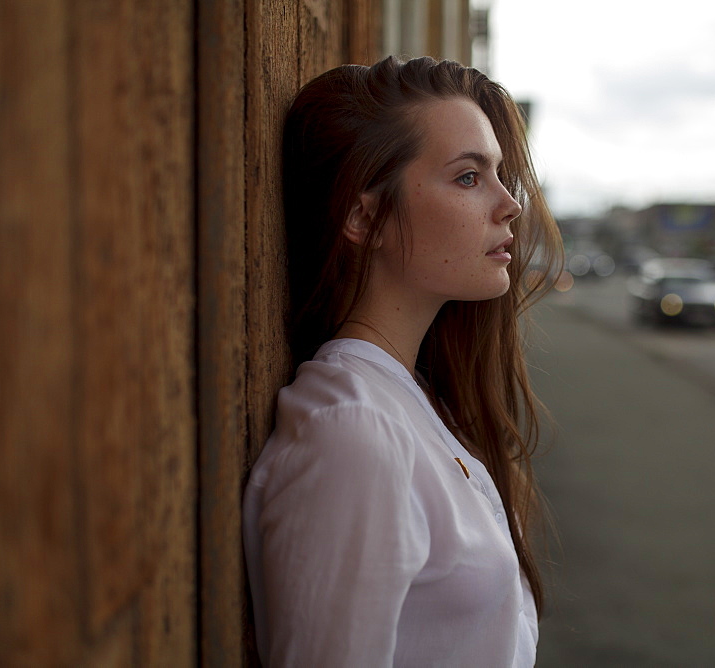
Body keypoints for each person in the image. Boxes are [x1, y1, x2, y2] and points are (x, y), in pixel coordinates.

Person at [242, 55, 564, 667]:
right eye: (469, 178)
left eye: (499, 174)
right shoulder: (352, 432)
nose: (510, 205)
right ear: (366, 217)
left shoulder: (411, 398)